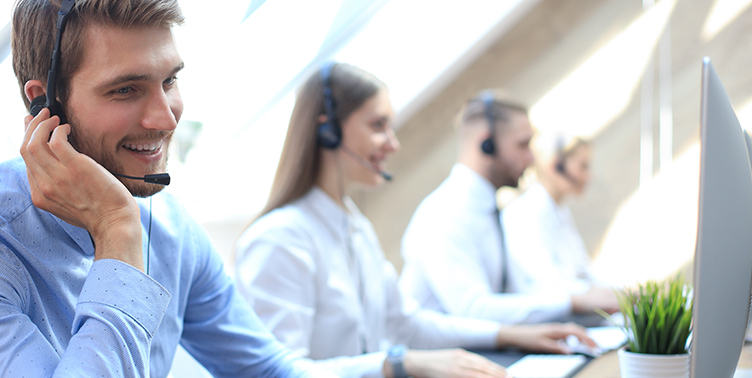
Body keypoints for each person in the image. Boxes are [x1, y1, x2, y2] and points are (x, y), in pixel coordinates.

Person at [0, 1, 335, 377]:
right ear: (44, 102)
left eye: (169, 80)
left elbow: (267, 369)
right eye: (126, 90)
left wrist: (391, 366)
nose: (166, 117)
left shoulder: (170, 226)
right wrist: (117, 231)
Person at [234, 63, 596, 378]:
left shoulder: (354, 228)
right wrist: (398, 364)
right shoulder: (279, 239)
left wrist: (511, 335)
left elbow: (407, 323)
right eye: (378, 126)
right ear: (327, 130)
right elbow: (279, 371)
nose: (393, 143)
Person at [399, 91, 618, 325]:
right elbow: (472, 310)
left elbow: (517, 295)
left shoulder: (490, 209)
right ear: (487, 145)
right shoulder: (443, 213)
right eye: (523, 145)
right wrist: (571, 301)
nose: (532, 159)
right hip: (439, 356)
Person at [500, 133, 606, 297]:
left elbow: (583, 270)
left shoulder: (559, 210)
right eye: (583, 166)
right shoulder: (523, 213)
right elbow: (549, 285)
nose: (589, 176)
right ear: (554, 166)